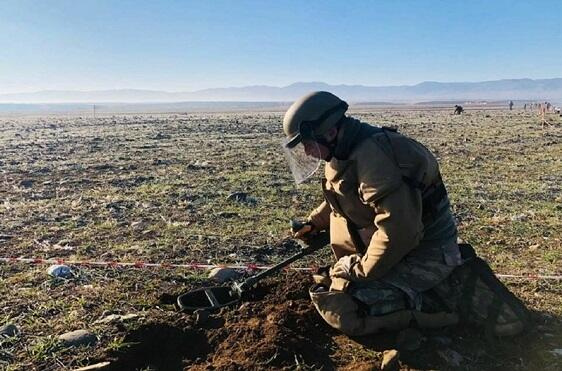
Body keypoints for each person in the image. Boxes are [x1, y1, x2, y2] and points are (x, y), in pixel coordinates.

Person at [282, 91, 529, 337]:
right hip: (395, 251)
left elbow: (398, 233)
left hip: (425, 253)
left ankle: (444, 312)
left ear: (330, 132)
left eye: (308, 144)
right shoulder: (345, 150)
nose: (307, 153)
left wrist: (357, 271)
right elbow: (344, 196)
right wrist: (314, 223)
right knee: (334, 284)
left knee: (346, 307)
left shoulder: (379, 159)